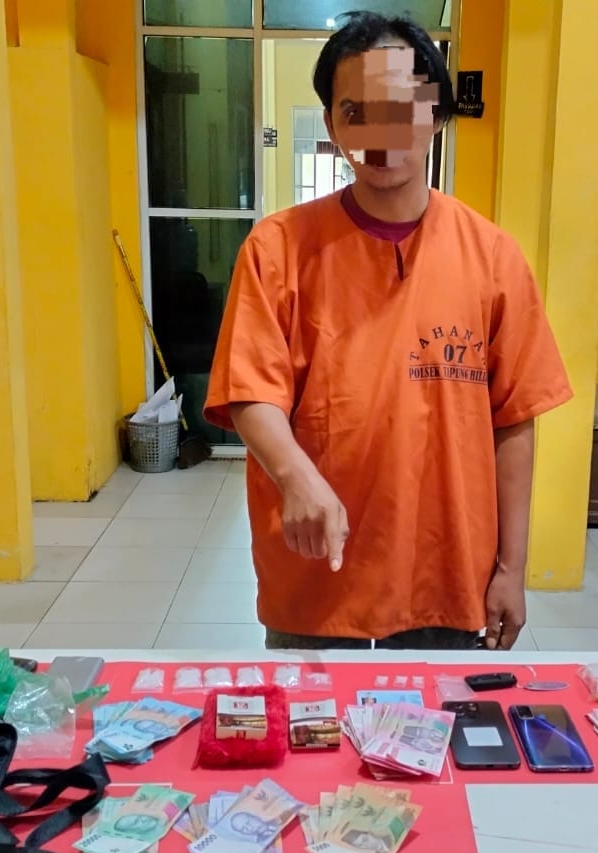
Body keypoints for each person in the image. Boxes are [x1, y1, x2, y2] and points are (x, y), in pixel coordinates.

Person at [204, 12, 571, 651]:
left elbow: (514, 420)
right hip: (318, 578)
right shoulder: (278, 249)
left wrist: (512, 569)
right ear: (333, 126)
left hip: (446, 577)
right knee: (313, 719)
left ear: (435, 113)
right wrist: (295, 476)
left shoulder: (493, 258)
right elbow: (250, 391)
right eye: (357, 112)